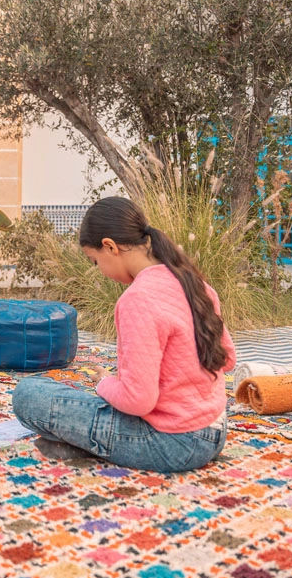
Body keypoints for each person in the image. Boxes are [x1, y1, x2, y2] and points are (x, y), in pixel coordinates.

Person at [12, 197, 235, 471]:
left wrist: (103, 384)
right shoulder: (194, 283)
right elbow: (228, 359)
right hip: (215, 430)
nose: (100, 271)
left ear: (110, 246)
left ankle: (83, 443)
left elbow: (138, 400)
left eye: (95, 261)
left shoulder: (138, 299)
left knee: (28, 393)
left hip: (173, 445)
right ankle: (79, 443)